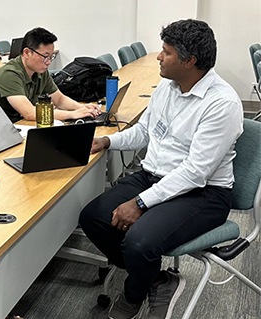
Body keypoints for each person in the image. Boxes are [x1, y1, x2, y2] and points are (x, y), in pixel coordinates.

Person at [79, 19, 243, 319]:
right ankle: (157, 280)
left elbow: (196, 172)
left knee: (139, 242)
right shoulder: (168, 87)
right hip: (153, 176)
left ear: (189, 60)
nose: (158, 57)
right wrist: (107, 141)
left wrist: (141, 203)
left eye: (166, 52)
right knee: (93, 218)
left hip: (204, 194)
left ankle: (134, 294)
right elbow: (144, 132)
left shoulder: (222, 103)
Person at [0, 27, 101, 123]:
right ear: (27, 52)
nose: (49, 62)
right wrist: (72, 114)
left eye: (51, 57)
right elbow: (29, 113)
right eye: (45, 57)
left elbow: (59, 99)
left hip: (11, 127)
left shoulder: (40, 71)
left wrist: (83, 108)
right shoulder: (10, 74)